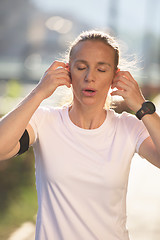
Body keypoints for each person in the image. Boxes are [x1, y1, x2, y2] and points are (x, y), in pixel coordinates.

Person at [0, 30, 160, 240]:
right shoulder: (44, 121)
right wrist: (38, 92)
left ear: (115, 76)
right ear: (68, 72)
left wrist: (142, 107)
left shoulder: (128, 127)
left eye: (101, 69)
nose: (89, 77)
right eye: (81, 67)